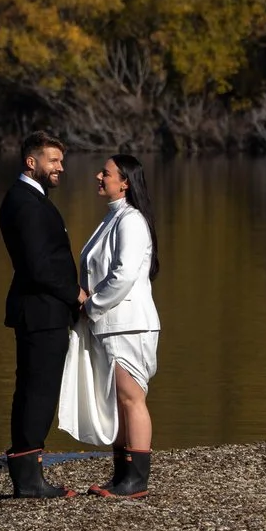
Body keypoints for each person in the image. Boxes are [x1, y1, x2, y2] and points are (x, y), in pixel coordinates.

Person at [0, 131, 79, 498]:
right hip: (40, 311)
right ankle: (29, 480)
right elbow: (37, 266)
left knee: (34, 389)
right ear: (32, 163)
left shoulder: (30, 198)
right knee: (38, 391)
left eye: (61, 161)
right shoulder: (25, 202)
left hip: (41, 310)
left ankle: (28, 474)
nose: (60, 167)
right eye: (53, 160)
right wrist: (74, 294)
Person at [78, 151, 161, 498]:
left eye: (106, 173)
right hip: (110, 324)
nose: (99, 177)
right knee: (118, 400)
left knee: (131, 398)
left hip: (129, 324)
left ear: (125, 182)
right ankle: (122, 475)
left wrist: (91, 304)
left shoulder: (131, 221)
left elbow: (124, 274)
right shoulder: (111, 219)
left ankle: (137, 480)